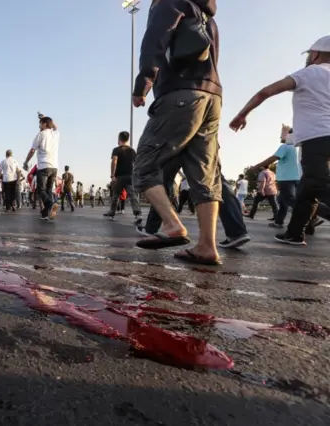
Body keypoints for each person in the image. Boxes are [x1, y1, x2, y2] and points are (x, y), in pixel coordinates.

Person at [132, 0, 223, 266]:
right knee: (204, 174)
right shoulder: (208, 13)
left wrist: (143, 83)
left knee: (145, 165)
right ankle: (207, 246)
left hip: (180, 93)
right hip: (212, 95)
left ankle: (173, 225)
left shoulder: (169, 2)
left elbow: (155, 40)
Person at [231, 35, 330, 245]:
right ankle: (294, 234)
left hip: (318, 139)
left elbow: (265, 92)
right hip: (321, 138)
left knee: (319, 185)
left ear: (315, 54)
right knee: (306, 191)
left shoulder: (309, 73)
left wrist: (242, 114)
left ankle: (295, 233)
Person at [248, 125, 300, 228]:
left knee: (290, 200)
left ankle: (311, 215)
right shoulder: (298, 148)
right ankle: (279, 221)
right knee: (282, 200)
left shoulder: (285, 147)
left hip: (286, 179)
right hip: (297, 177)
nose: (281, 137)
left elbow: (273, 158)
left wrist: (256, 166)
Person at [23, 113, 60, 220]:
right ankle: (45, 214)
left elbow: (32, 150)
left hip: (44, 166)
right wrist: (45, 117)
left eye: (40, 124)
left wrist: (26, 162)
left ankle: (51, 204)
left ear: (44, 124)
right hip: (54, 167)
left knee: (40, 190)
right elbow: (55, 126)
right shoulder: (56, 134)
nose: (39, 126)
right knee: (48, 191)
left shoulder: (41, 134)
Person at [105, 131, 142, 222]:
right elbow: (137, 164)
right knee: (132, 195)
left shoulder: (116, 150)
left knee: (115, 196)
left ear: (119, 139)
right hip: (130, 176)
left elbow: (114, 161)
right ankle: (137, 214)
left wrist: (112, 175)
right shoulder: (132, 151)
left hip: (119, 177)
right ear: (127, 139)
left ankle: (111, 214)